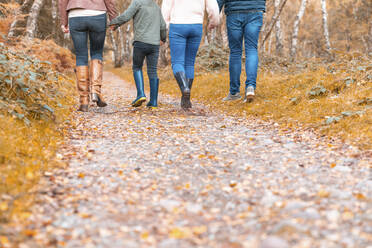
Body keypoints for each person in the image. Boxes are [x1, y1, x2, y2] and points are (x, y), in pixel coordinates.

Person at [59, 0, 118, 112]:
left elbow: (62, 1)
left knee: (81, 56)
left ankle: (84, 101)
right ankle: (96, 91)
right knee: (96, 53)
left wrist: (64, 21)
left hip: (75, 16)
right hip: (97, 14)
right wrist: (113, 18)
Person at [162, 0, 220, 110]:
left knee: (177, 62)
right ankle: (186, 100)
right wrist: (214, 21)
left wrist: (164, 27)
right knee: (189, 63)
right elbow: (213, 6)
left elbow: (166, 8)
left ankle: (184, 88)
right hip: (196, 26)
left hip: (177, 25)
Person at [109, 0, 167, 108]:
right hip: (154, 44)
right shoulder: (156, 6)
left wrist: (114, 23)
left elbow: (126, 16)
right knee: (153, 71)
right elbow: (163, 26)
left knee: (137, 67)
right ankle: (153, 102)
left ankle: (141, 94)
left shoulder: (137, 2)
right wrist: (163, 38)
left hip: (141, 42)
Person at [217, 0, 266, 103]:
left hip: (234, 12)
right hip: (255, 10)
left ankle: (234, 92)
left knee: (235, 52)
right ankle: (250, 87)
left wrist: (215, 12)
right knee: (252, 49)